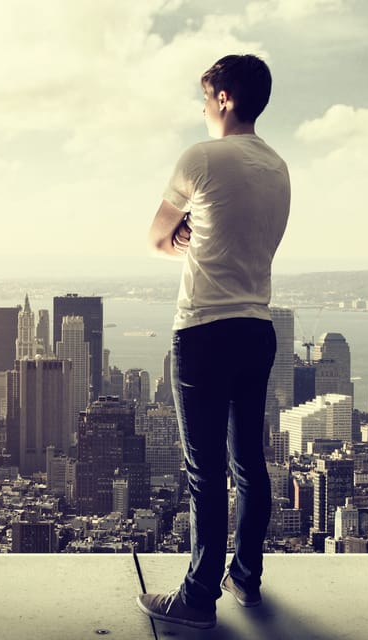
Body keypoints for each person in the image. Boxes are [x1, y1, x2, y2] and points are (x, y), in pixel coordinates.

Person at [135, 54, 291, 630]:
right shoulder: (278, 167)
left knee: (205, 471)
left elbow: (156, 237)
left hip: (204, 328)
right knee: (250, 461)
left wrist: (183, 236)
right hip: (258, 329)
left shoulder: (201, 157)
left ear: (224, 98)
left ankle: (198, 598)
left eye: (206, 98)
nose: (203, 109)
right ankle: (245, 580)